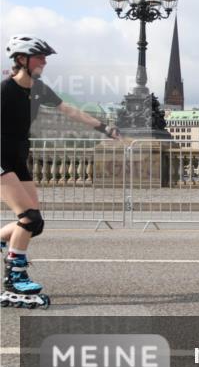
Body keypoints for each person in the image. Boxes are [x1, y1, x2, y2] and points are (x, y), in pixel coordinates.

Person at [1, 35, 121, 308]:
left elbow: (70, 111)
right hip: (0, 156)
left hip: (19, 155)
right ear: (22, 59)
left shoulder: (38, 88)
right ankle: (14, 279)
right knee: (28, 218)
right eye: (40, 57)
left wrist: (105, 128)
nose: (44, 61)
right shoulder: (5, 89)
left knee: (36, 223)